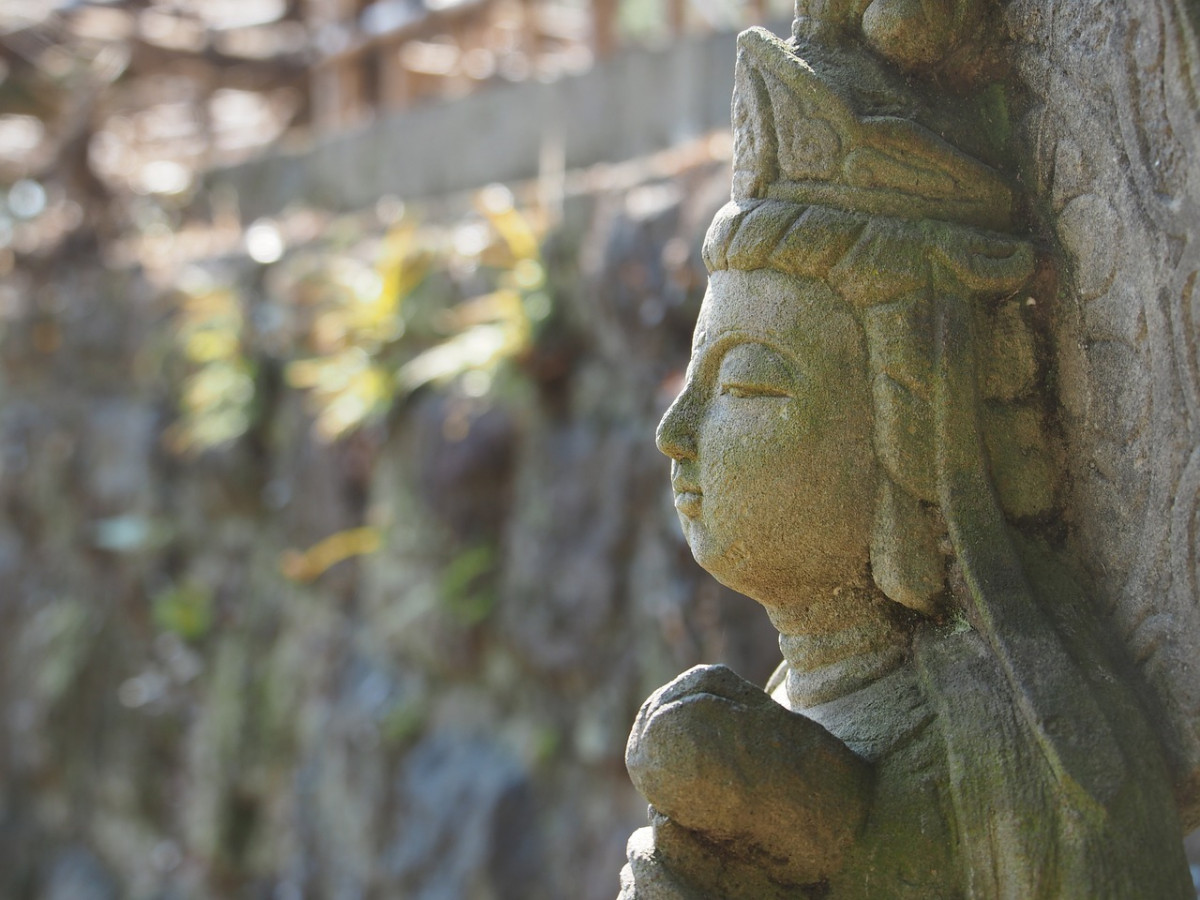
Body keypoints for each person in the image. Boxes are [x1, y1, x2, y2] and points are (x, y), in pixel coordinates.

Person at [619, 26, 1193, 900]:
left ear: (915, 426)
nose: (676, 428)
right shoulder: (782, 702)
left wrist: (856, 847)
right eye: (693, 379)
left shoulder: (1027, 744)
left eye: (746, 386)